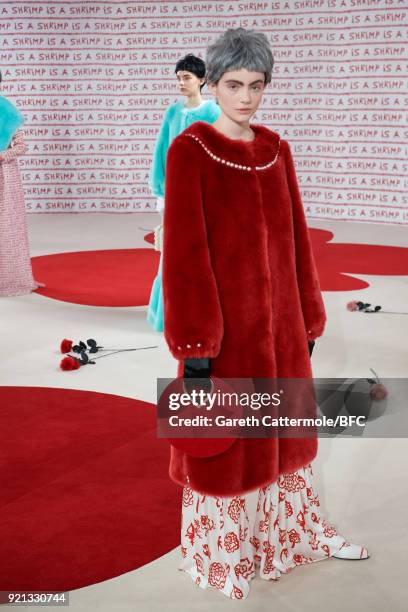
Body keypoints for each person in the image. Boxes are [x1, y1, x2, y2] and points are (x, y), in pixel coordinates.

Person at [161, 29, 369, 600]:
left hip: (282, 332)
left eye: (257, 86)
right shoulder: (192, 150)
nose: (246, 98)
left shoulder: (277, 149)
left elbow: (298, 240)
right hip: (224, 337)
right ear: (212, 83)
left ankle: (294, 536)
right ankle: (223, 557)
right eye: (234, 85)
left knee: (288, 441)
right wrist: (196, 347)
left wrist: (307, 319)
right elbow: (184, 255)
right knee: (226, 449)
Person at [146, 54, 220, 332]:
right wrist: (161, 193)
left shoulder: (213, 113)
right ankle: (170, 314)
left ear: (202, 80)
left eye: (187, 77)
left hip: (204, 196)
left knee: (203, 256)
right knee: (172, 256)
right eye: (178, 77)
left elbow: (219, 153)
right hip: (175, 193)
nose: (181, 82)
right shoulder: (172, 113)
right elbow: (161, 152)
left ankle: (201, 314)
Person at [0, 70, 41, 297]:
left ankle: (8, 277)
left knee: (7, 227)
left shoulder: (8, 112)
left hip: (5, 176)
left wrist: (2, 155)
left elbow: (21, 146)